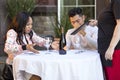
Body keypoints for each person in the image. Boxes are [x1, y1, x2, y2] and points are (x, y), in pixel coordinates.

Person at [3, 12, 58, 80]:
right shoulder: (12, 32)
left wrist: (50, 43)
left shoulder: (30, 33)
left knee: (43, 73)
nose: (30, 27)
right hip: (16, 65)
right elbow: (7, 48)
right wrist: (25, 47)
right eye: (27, 24)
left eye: (31, 24)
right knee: (39, 76)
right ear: (21, 24)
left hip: (27, 64)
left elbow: (39, 40)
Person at [98, 0, 120, 80]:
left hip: (114, 51)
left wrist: (111, 48)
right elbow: (110, 23)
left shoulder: (117, 2)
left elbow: (119, 26)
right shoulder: (112, 3)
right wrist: (97, 22)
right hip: (107, 49)